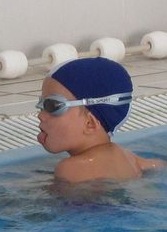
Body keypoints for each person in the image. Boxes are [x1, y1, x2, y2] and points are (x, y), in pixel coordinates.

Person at [36, 56, 155, 184]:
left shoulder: (72, 168)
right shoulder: (130, 159)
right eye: (41, 103)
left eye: (52, 106)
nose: (40, 115)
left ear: (90, 123)